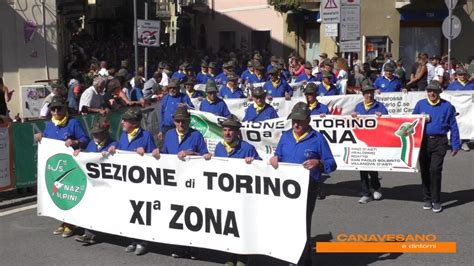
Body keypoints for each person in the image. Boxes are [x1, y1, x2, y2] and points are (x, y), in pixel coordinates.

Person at [269, 102, 336, 266]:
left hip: (307, 189)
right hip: (285, 189)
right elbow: (278, 155)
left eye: (300, 120)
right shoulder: (285, 136)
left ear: (308, 121)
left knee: (302, 224)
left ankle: (304, 259)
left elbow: (331, 164)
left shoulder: (318, 138)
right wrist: (274, 159)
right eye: (294, 120)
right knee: (286, 223)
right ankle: (288, 255)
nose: (296, 124)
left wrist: (318, 163)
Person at [34, 96, 90, 238]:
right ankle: (63, 222)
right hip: (56, 167)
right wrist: (40, 137)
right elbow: (46, 141)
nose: (56, 111)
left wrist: (75, 141)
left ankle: (70, 223)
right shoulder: (50, 125)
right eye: (53, 109)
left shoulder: (73, 123)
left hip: (71, 165)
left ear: (65, 109)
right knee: (60, 195)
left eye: (59, 108)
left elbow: (85, 140)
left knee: (71, 194)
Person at [108, 107, 159, 255]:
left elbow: (154, 158)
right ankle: (132, 240)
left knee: (140, 211)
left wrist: (148, 153)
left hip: (141, 182)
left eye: (127, 120)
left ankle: (142, 241)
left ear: (135, 122)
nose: (123, 122)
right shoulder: (124, 135)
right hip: (126, 181)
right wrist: (114, 147)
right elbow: (120, 148)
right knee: (128, 210)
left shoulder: (146, 136)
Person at [412, 81, 460, 213]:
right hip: (423, 142)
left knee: (435, 170)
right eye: (429, 91)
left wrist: (455, 144)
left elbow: (453, 126)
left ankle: (436, 200)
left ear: (439, 92)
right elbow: (411, 122)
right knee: (425, 171)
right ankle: (427, 198)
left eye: (434, 91)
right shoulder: (420, 104)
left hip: (440, 141)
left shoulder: (447, 106)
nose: (431, 93)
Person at [73, 116, 118, 245]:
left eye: (99, 133)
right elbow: (86, 159)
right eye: (94, 134)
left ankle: (103, 233)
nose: (96, 136)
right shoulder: (91, 144)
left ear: (105, 133)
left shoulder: (113, 144)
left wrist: (113, 152)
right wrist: (79, 153)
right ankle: (89, 233)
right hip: (94, 184)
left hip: (108, 184)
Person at [351, 85, 388, 204]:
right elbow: (353, 124)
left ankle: (376, 187)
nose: (369, 95)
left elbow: (389, 121)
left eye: (371, 93)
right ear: (363, 94)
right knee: (362, 168)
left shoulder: (380, 106)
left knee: (373, 167)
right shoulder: (359, 106)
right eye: (366, 93)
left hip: (375, 142)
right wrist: (353, 117)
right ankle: (365, 193)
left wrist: (382, 117)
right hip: (361, 142)